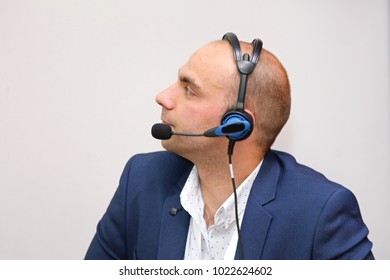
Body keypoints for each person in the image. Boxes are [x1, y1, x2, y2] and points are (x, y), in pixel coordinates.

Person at [85, 33, 374, 260]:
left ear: (237, 125)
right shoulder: (141, 179)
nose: (163, 96)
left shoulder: (321, 212)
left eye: (189, 89)